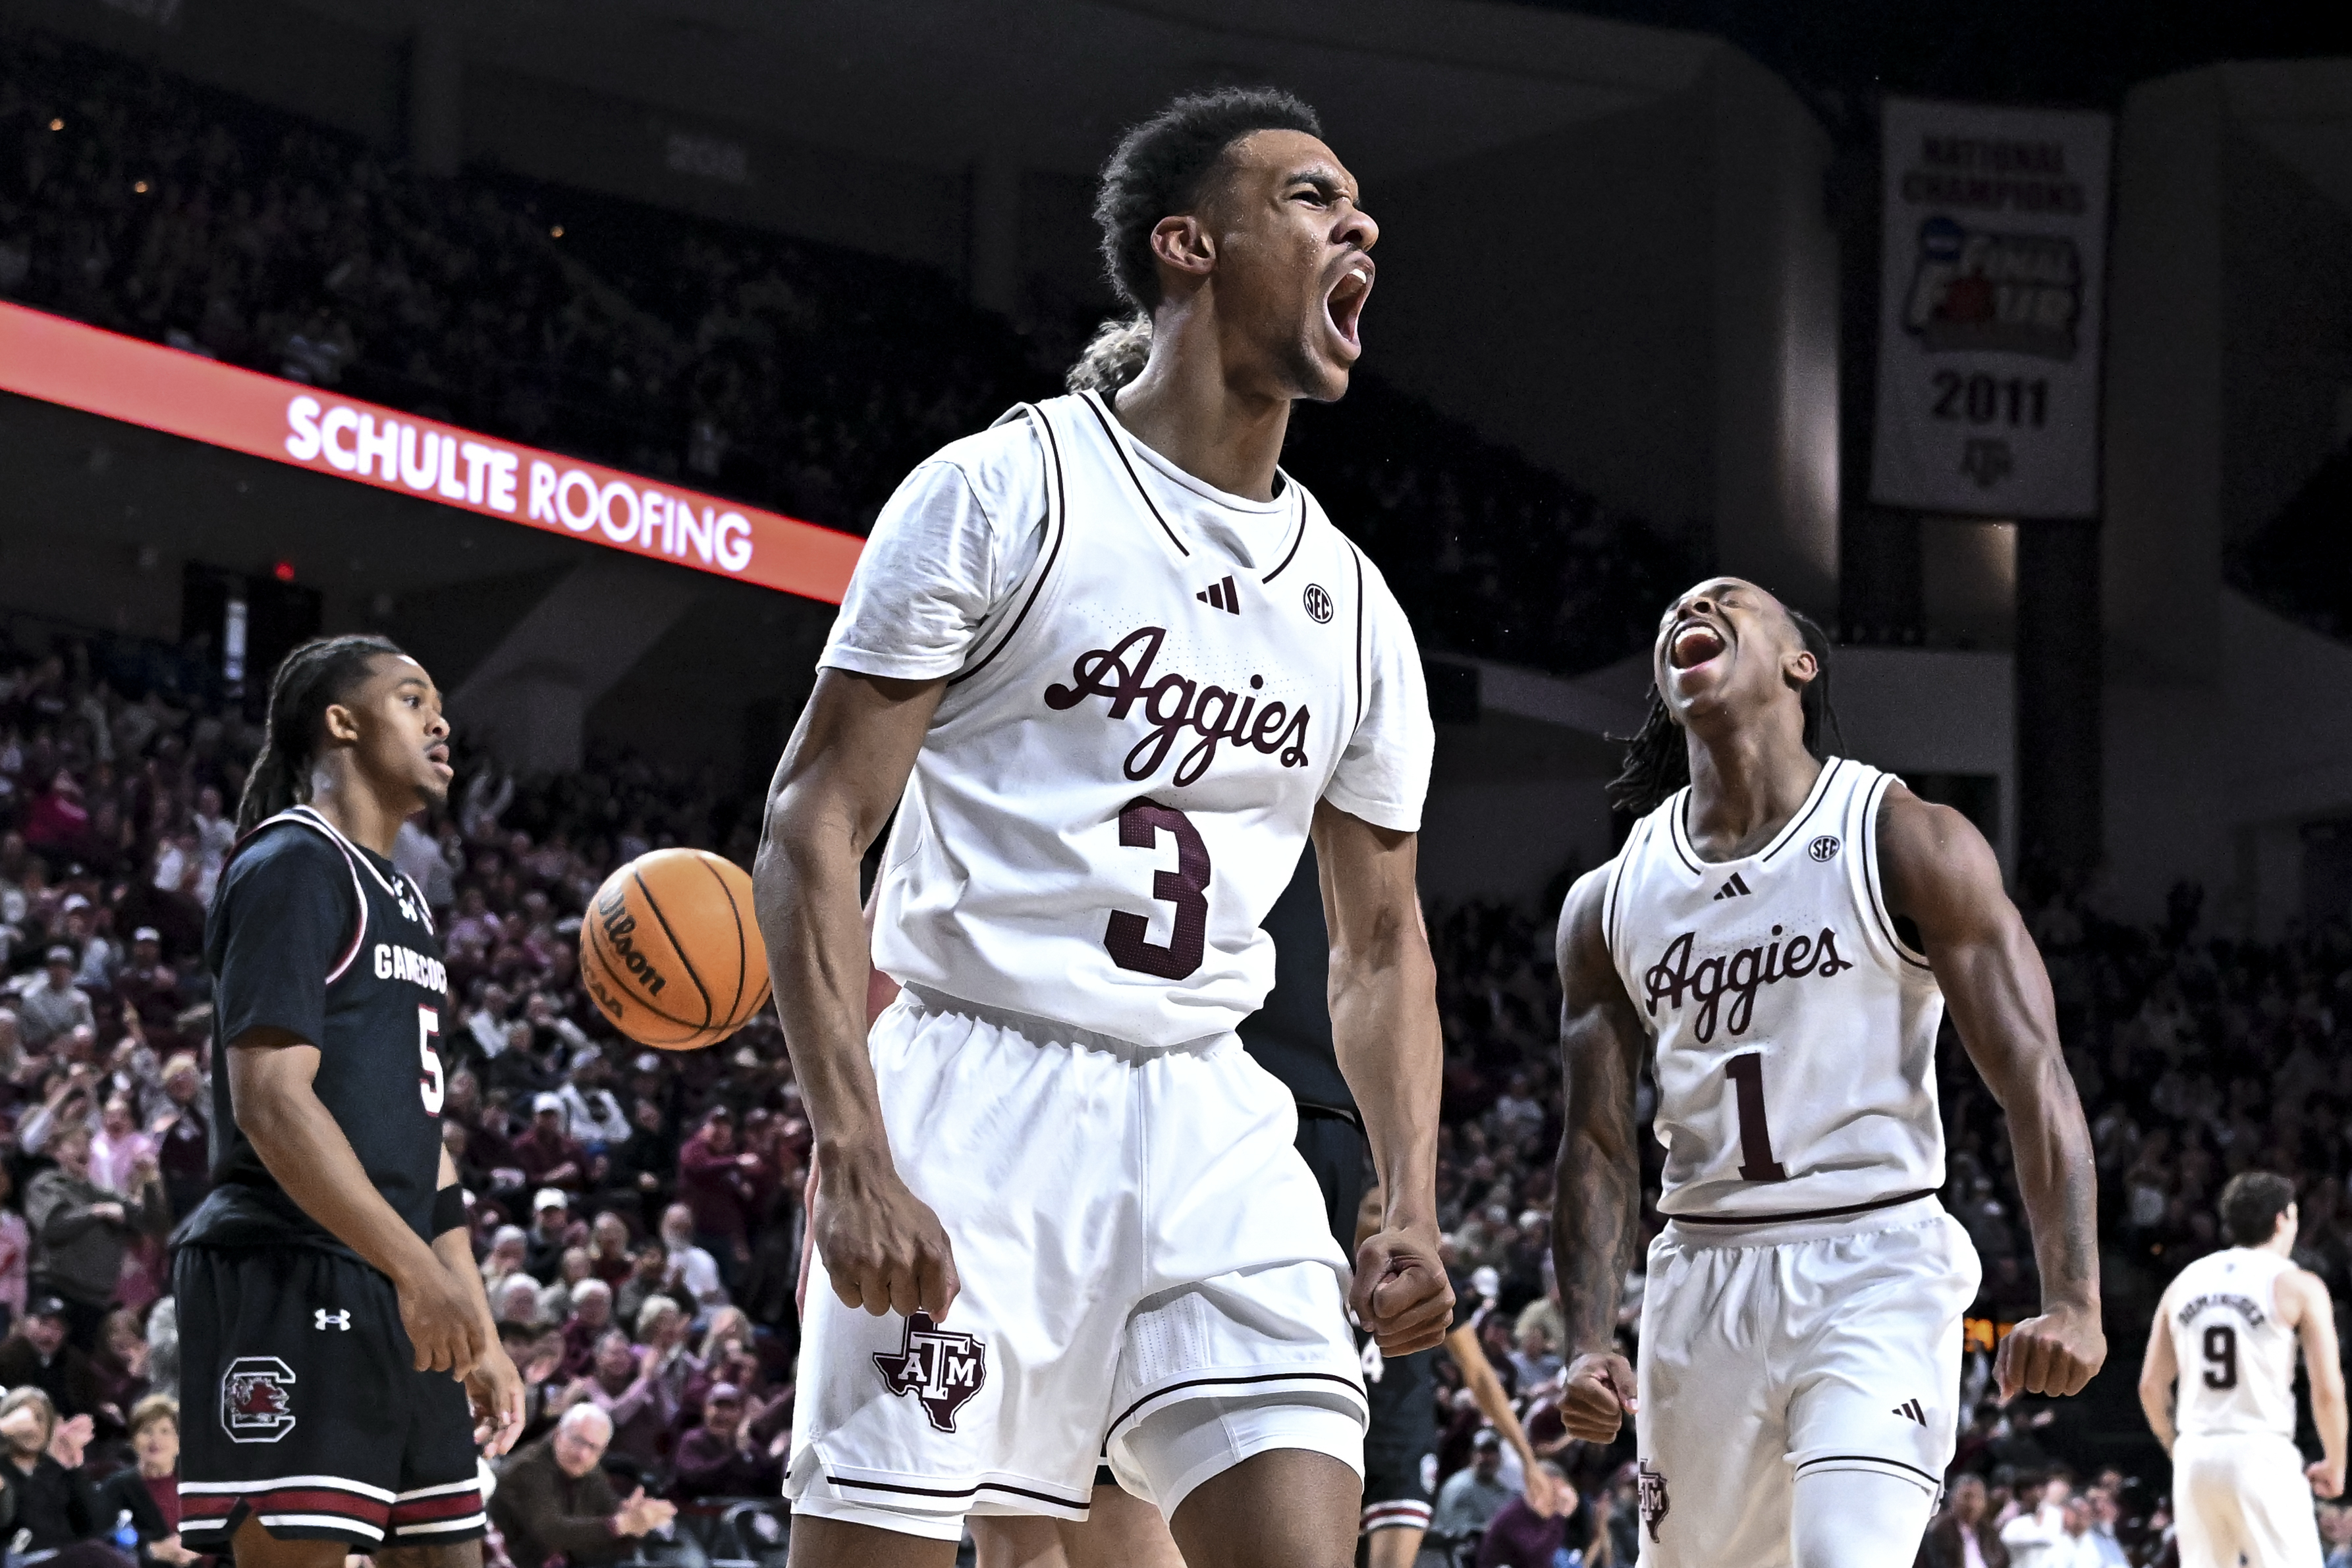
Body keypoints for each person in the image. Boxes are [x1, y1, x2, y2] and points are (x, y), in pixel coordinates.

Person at [756, 86, 1442, 1567]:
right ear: (1188, 245)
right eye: (1314, 197)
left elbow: (1384, 942)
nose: (1360, 221)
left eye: (1358, 203)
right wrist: (853, 1143)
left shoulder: (1357, 605)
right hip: (975, 1093)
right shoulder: (1004, 489)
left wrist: (1409, 1198)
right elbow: (814, 819)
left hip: (1213, 1109)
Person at [1550, 578, 2106, 1567]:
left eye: (1724, 599)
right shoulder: (1607, 898)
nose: (1689, 609)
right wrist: (1585, 1337)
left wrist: (2072, 1296)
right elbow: (1594, 1142)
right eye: (1672, 607)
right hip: (1700, 1278)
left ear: (1798, 663)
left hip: (1872, 1259)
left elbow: (2032, 1074)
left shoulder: (1903, 835)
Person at [169, 635, 523, 1566]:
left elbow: (423, 1140)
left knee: (447, 1553)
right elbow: (272, 1103)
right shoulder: (292, 862)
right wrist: (419, 1275)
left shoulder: (404, 895)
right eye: (413, 699)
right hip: (288, 1266)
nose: (441, 720)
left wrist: (475, 1322)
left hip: (392, 1276)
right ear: (341, 721)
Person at [2138, 1170, 2345, 1566]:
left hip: (2196, 1454)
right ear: (2283, 1219)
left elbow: (2151, 1386)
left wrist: (2177, 1447)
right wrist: (2336, 1462)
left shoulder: (2183, 1282)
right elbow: (2327, 1390)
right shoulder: (2298, 1285)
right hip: (2260, 1449)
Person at [26, 1123, 168, 1349]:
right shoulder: (47, 1184)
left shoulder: (101, 1192)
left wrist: (150, 1179)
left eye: (87, 1145)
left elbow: (152, 1223)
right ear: (57, 1152)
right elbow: (53, 1229)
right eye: (74, 1144)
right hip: (58, 1291)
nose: (83, 1150)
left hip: (96, 1301)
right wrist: (96, 1211)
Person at [487, 1403, 676, 1568]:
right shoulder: (528, 1468)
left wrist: (635, 1517)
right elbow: (551, 1531)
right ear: (558, 1434)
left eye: (594, 1448)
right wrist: (620, 1524)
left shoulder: (588, 1469)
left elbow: (610, 1517)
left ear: (603, 1451)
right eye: (577, 1441)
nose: (583, 1454)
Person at [0, 1385, 106, 1557]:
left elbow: (93, 1526)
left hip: (67, 1556)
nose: (31, 1428)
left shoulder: (59, 1470)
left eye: (40, 1419)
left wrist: (75, 1466)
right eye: (24, 1419)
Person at [96, 1393, 202, 1567]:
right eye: (147, 1431)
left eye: (165, 1431)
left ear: (179, 1441)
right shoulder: (117, 1486)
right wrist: (150, 1550)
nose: (156, 1440)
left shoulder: (196, 1484)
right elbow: (101, 1542)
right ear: (133, 1440)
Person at [669, 1382, 784, 1501]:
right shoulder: (692, 1441)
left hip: (745, 1512)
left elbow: (768, 1486)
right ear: (705, 1409)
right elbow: (698, 1479)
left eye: (730, 1408)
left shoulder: (749, 1446)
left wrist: (775, 1456)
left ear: (740, 1413)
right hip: (702, 1515)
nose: (723, 1415)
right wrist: (737, 1454)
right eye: (718, 1406)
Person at [0, 1295, 103, 1419]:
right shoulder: (6, 1355)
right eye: (44, 1324)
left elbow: (85, 1406)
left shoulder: (75, 1365)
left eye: (57, 1328)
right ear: (28, 1323)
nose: (48, 1334)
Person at [1475, 1461, 1577, 1568]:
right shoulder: (1513, 1515)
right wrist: (1560, 1517)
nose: (1558, 1498)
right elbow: (1536, 1557)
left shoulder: (1546, 1516)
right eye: (1553, 1491)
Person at [1429, 1430, 1513, 1546]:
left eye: (1493, 1452)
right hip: (1452, 1554)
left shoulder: (1499, 1488)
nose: (1488, 1458)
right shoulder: (1460, 1487)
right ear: (1472, 1455)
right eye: (1483, 1452)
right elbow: (1455, 1531)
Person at [1920, 1474, 2010, 1568]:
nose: (1972, 1504)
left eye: (1978, 1498)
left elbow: (2001, 1560)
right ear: (1953, 1498)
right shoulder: (1938, 1532)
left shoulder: (1989, 1533)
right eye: (1967, 1497)